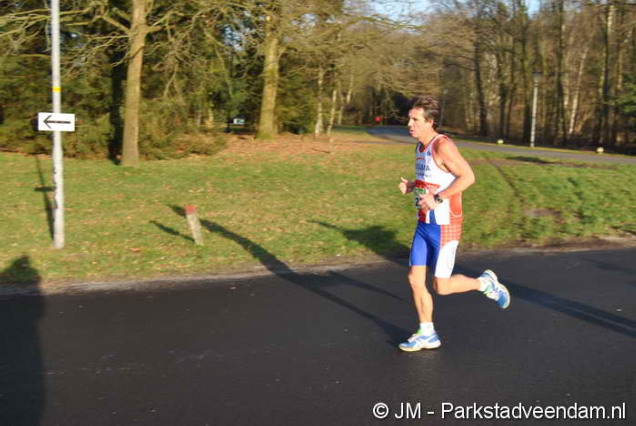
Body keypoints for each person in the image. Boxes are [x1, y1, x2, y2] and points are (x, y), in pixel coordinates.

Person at [397, 95, 510, 352]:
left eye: (415, 120)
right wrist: (413, 186)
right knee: (415, 279)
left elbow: (468, 177)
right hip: (424, 223)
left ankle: (485, 283)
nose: (409, 124)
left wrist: (437, 198)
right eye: (409, 119)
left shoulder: (442, 145)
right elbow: (433, 179)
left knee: (442, 287)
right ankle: (427, 333)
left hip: (445, 226)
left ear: (430, 122)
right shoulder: (420, 147)